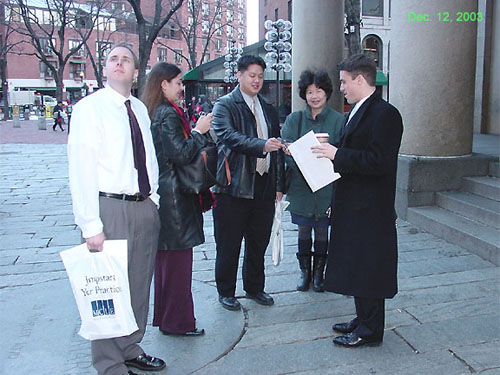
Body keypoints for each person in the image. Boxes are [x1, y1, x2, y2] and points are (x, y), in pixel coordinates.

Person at [67, 43, 166, 375]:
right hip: (109, 208)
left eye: (126, 59)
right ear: (105, 68)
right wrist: (89, 223)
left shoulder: (138, 108)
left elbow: (148, 158)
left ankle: (130, 347)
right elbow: (80, 168)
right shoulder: (89, 108)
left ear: (136, 71)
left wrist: (154, 200)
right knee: (108, 287)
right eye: (113, 59)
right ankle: (109, 363)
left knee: (138, 285)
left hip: (143, 207)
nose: (119, 63)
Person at [312, 54, 403, 347]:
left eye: (344, 82)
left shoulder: (386, 114)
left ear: (360, 79)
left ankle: (370, 330)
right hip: (354, 203)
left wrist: (337, 154)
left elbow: (380, 162)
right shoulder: (358, 110)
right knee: (357, 265)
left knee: (369, 268)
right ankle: (363, 318)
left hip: (370, 207)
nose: (342, 88)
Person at [142, 62, 213, 337]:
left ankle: (169, 319)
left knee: (169, 266)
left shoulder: (157, 112)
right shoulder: (167, 115)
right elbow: (181, 154)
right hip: (174, 201)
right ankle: (179, 322)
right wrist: (198, 131)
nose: (182, 88)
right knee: (178, 267)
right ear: (164, 84)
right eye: (178, 82)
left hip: (167, 196)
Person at [211, 55, 286, 311]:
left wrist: (279, 184)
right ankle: (226, 291)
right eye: (252, 75)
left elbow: (275, 145)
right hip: (233, 186)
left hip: (263, 185)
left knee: (258, 241)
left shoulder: (268, 107)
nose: (257, 80)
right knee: (229, 243)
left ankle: (255, 287)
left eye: (260, 76)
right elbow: (229, 137)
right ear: (240, 75)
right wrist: (261, 146)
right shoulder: (224, 106)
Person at [281, 70, 344, 293]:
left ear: (326, 93)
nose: (314, 96)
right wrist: (291, 154)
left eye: (318, 91)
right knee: (304, 229)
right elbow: (285, 150)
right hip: (301, 185)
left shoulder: (339, 121)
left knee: (322, 231)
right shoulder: (294, 119)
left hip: (327, 186)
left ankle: (320, 274)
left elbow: (344, 153)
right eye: (309, 91)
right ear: (303, 94)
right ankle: (304, 272)